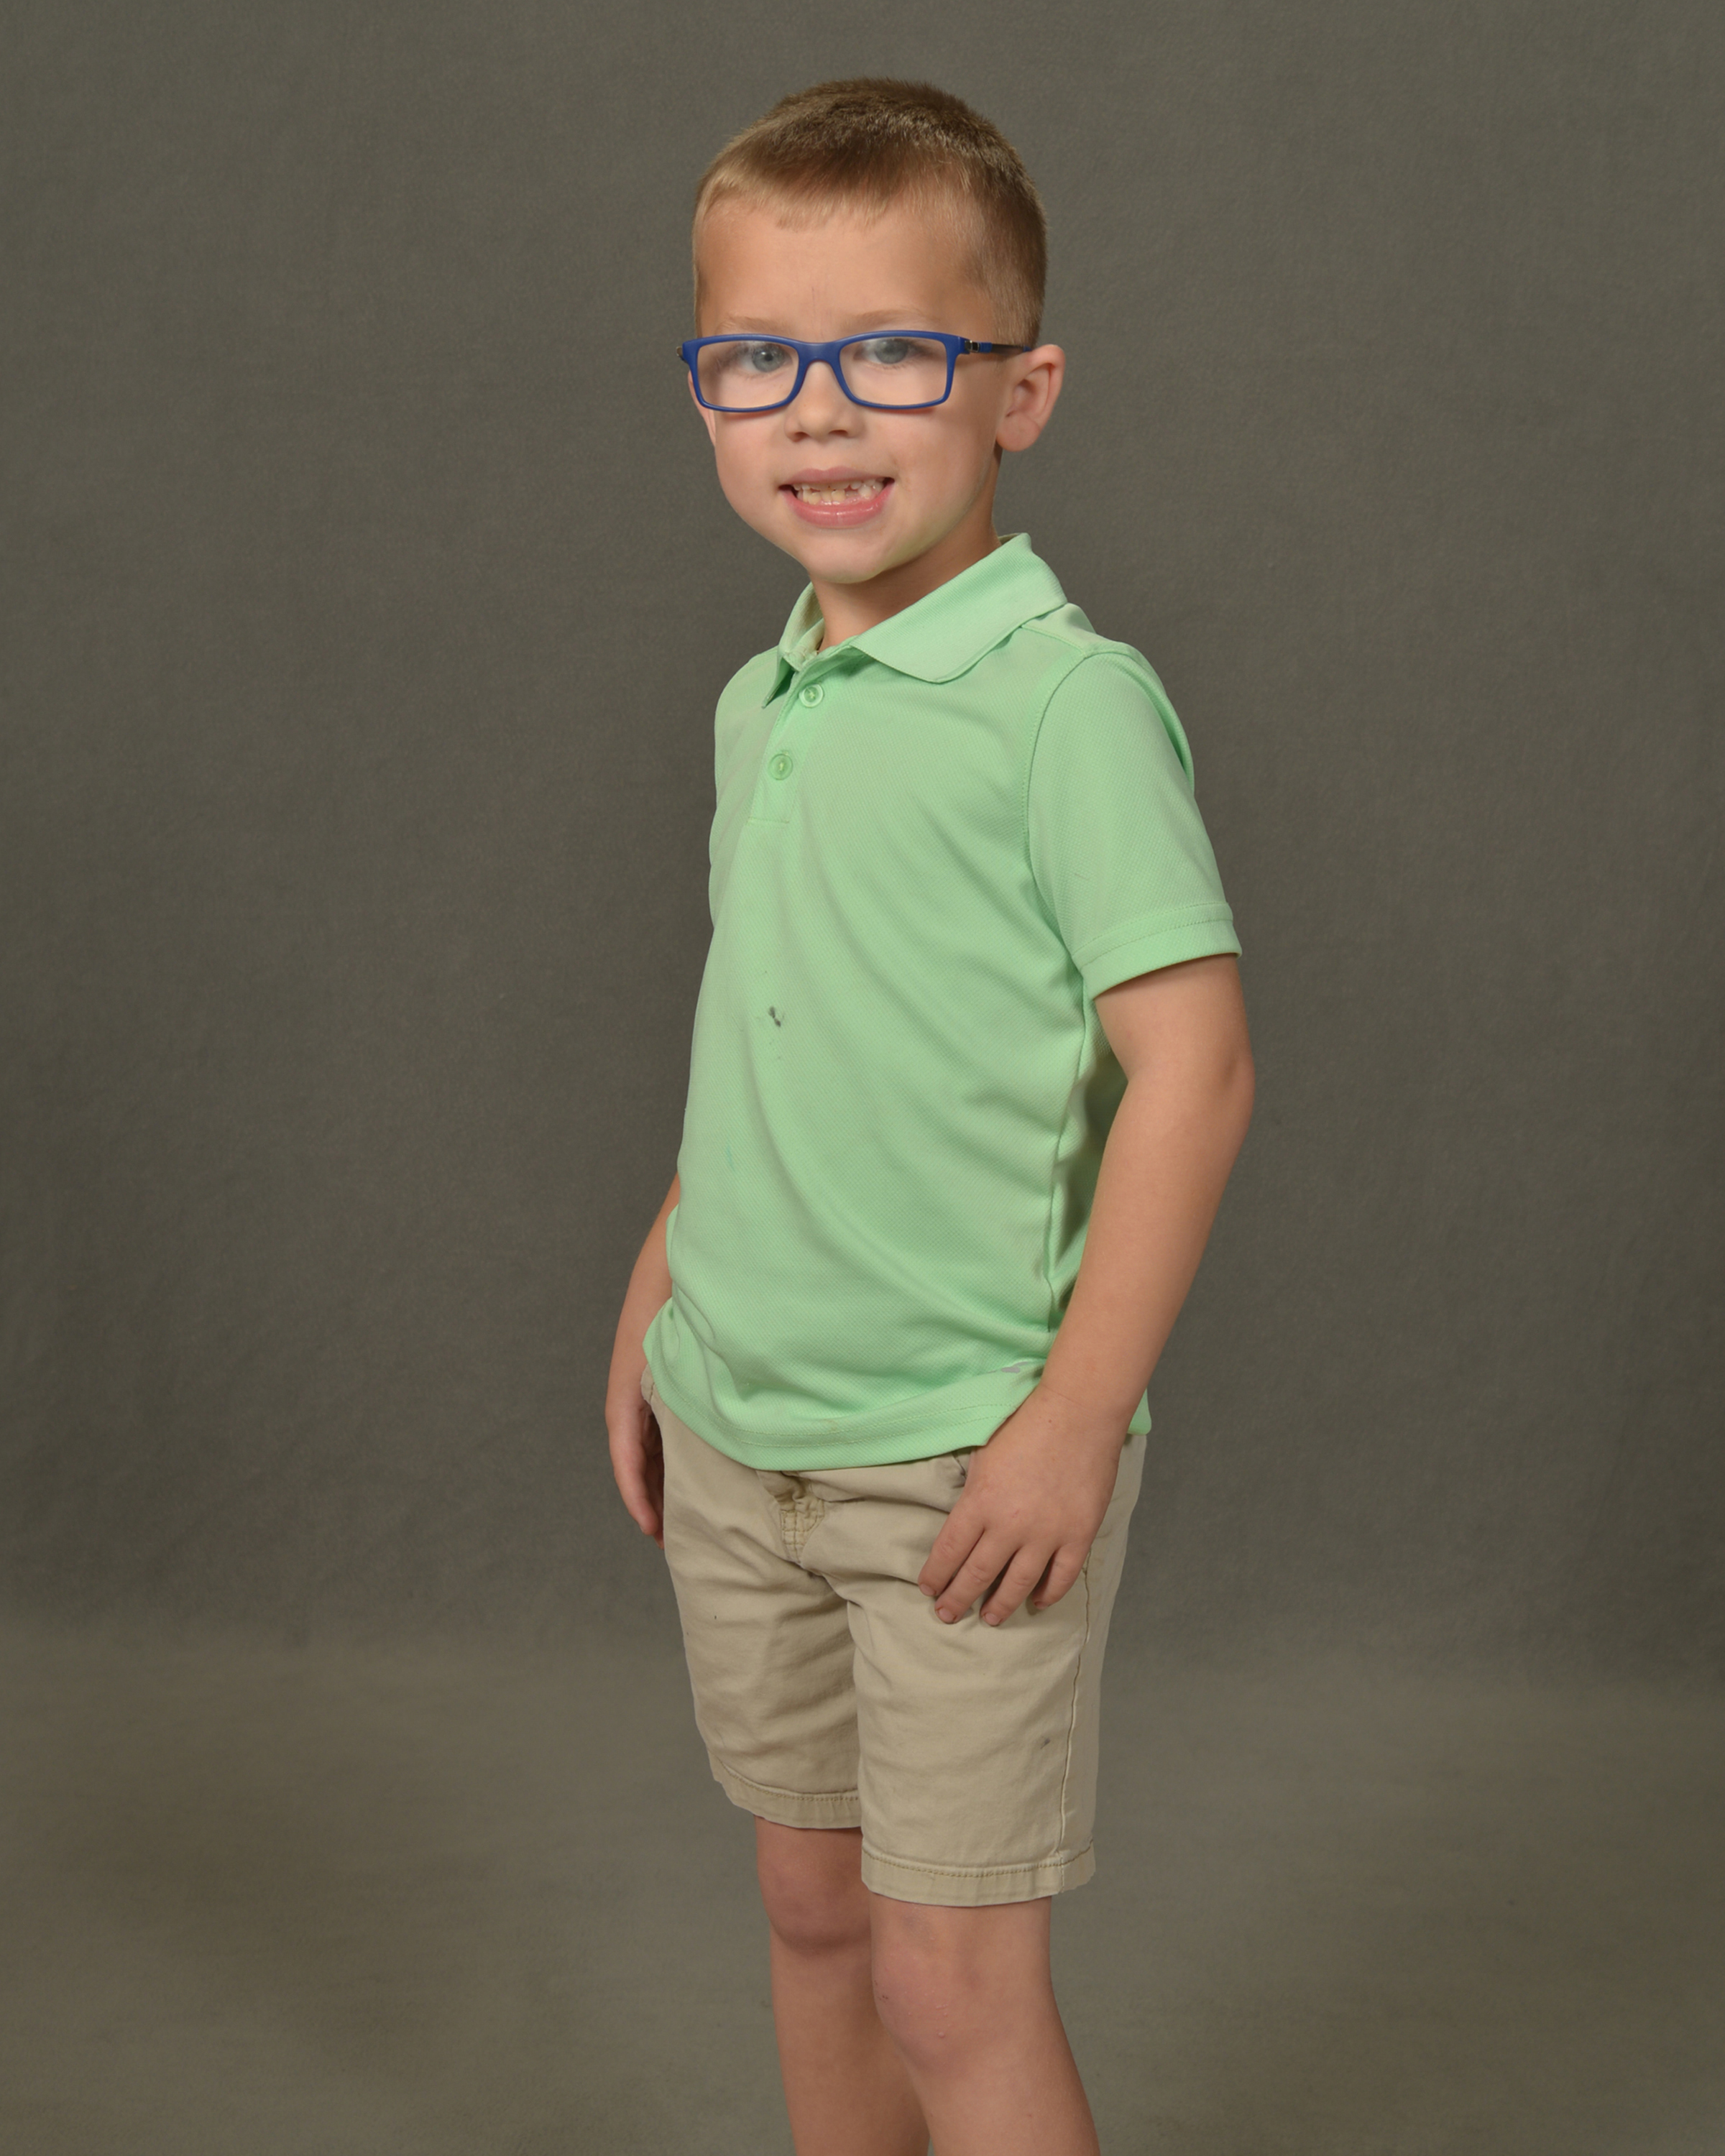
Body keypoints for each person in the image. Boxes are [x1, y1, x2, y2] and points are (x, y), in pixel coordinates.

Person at [604, 77, 1254, 2156]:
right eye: (755, 360)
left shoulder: (1065, 706)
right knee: (814, 1918)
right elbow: (773, 1029)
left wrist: (1074, 1418)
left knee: (950, 1980)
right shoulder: (767, 696)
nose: (819, 412)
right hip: (744, 1434)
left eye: (891, 351)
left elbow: (1197, 1069)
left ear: (1018, 393)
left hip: (961, 1465)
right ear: (702, 395)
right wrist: (663, 1287)